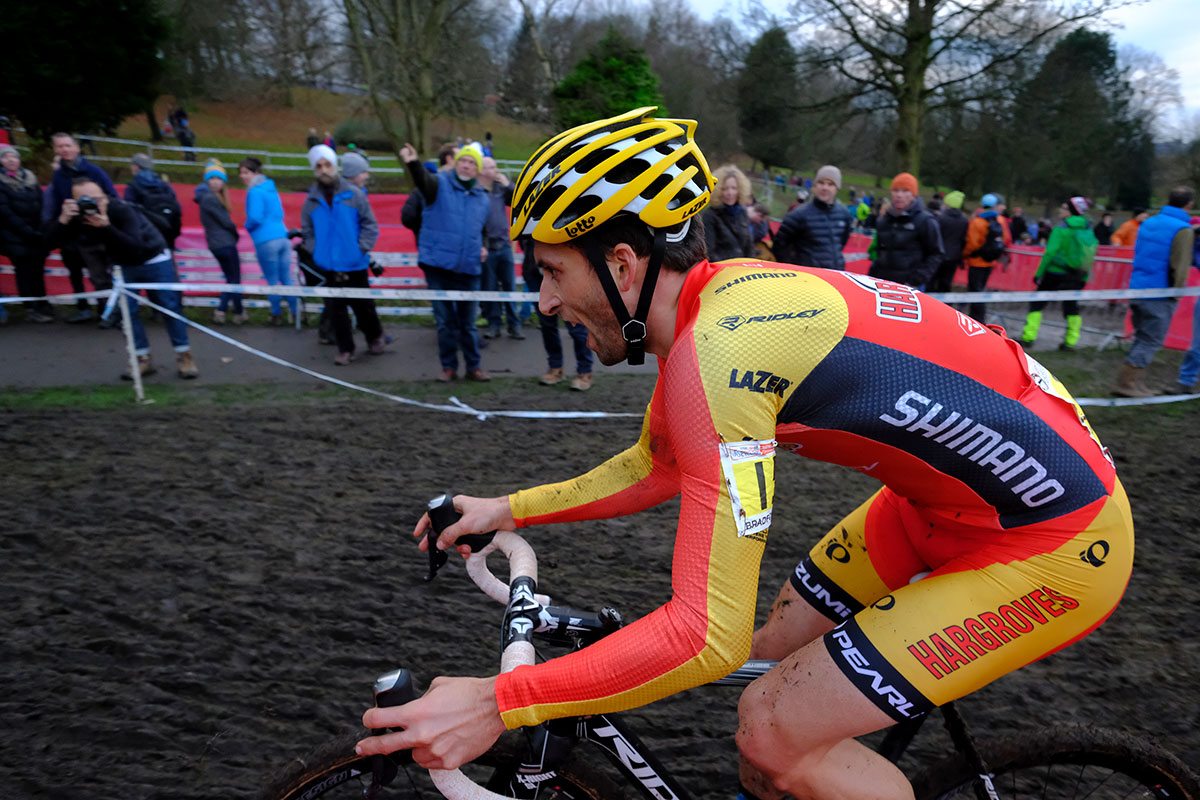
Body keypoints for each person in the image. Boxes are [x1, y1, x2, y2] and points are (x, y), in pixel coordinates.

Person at [356, 108, 1133, 800]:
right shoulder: (714, 308)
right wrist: (507, 509)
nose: (545, 301)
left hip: (1055, 543)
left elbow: (703, 635)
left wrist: (498, 701)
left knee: (770, 725)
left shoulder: (722, 354)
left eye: (554, 271)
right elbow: (658, 464)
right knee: (770, 663)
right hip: (932, 507)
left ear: (623, 265)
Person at [46, 178, 198, 379]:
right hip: (123, 265)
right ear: (74, 201)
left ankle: (184, 355)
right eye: (85, 200)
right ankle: (141, 358)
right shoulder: (76, 217)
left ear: (105, 196)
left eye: (96, 199)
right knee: (127, 312)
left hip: (153, 257)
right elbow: (46, 242)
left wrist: (107, 227)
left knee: (169, 306)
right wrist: (63, 220)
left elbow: (135, 247)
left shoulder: (121, 209)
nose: (92, 205)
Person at [400, 140, 490, 382]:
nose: (466, 165)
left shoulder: (482, 197)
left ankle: (474, 367)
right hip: (438, 266)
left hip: (469, 267)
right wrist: (413, 163)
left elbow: (482, 229)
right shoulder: (438, 184)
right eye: (463, 161)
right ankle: (448, 367)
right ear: (455, 164)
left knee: (468, 324)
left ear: (477, 169)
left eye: (471, 162)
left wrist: (484, 246)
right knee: (444, 322)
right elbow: (422, 180)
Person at [300, 145, 385, 365]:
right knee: (336, 309)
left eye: (327, 165)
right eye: (319, 166)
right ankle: (345, 349)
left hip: (355, 263)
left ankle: (375, 337)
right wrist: (317, 252)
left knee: (363, 307)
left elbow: (369, 224)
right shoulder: (311, 201)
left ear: (335, 166)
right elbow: (307, 231)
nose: (323, 170)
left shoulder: (354, 194)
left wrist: (360, 248)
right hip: (329, 266)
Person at [1114, 188, 1196, 397]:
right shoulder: (1183, 229)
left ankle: (1135, 382)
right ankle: (1127, 383)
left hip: (1138, 287)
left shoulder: (1148, 222)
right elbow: (1180, 263)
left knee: (1142, 336)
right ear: (1189, 204)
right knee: (1151, 340)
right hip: (1160, 292)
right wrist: (1178, 290)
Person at [44, 132, 117, 323]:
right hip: (71, 234)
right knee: (74, 272)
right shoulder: (58, 176)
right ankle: (83, 308)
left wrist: (100, 211)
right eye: (60, 146)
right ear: (55, 150)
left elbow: (112, 196)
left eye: (68, 145)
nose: (64, 149)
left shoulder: (94, 171)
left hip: (95, 231)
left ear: (76, 148)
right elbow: (54, 205)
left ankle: (106, 311)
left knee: (100, 275)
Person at [1019, 197, 1098, 351]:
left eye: (1064, 208)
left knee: (1037, 304)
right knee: (1071, 307)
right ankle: (1070, 341)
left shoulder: (1061, 229)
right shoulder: (1088, 228)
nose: (1060, 210)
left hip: (1054, 272)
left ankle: (1028, 337)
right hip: (1077, 274)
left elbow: (1050, 253)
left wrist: (1039, 273)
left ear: (1072, 211)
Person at [520, 235, 594, 390]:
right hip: (535, 274)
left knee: (576, 326)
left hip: (564, 272)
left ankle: (585, 371)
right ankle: (555, 368)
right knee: (547, 325)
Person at [238, 157, 299, 326]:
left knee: (272, 280)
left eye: (246, 172)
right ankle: (296, 313)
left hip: (265, 240)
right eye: (241, 173)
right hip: (283, 237)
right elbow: (279, 213)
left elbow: (255, 217)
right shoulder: (271, 189)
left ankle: (276, 314)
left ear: (255, 173)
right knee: (286, 278)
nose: (242, 176)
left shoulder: (254, 192)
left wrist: (247, 226)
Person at [0, 145, 54, 322]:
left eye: (14, 157)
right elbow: (5, 212)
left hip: (35, 233)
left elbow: (42, 203)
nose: (10, 160)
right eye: (5, 157)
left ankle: (43, 303)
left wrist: (40, 229)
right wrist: (26, 231)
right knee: (23, 271)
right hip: (14, 236)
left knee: (38, 270)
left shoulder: (30, 178)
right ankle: (31, 308)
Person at [867, 172, 943, 289]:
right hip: (881, 284)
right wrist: (872, 276)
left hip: (910, 286)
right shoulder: (883, 220)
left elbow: (936, 253)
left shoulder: (925, 221)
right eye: (896, 190)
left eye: (905, 191)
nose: (899, 195)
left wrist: (917, 279)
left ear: (913, 195)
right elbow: (879, 253)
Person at [771, 165, 853, 271]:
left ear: (837, 188)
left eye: (830, 184)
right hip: (807, 277)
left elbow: (841, 242)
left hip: (835, 275)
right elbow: (779, 246)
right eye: (821, 183)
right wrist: (795, 270)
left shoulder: (844, 214)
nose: (825, 188)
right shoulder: (798, 214)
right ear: (815, 185)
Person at [194, 159, 245, 324]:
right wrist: (235, 234)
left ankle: (237, 311)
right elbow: (226, 222)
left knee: (232, 278)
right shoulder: (210, 198)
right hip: (224, 243)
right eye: (212, 178)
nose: (215, 182)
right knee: (234, 280)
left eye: (218, 178)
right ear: (207, 180)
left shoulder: (205, 197)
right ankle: (224, 310)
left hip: (216, 243)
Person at [479, 156, 522, 340]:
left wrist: (508, 184)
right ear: (481, 170)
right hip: (487, 247)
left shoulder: (500, 189)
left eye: (494, 167)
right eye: (489, 167)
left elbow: (518, 199)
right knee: (490, 289)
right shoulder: (476, 191)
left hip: (504, 245)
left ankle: (514, 325)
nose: (494, 170)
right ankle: (494, 324)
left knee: (509, 287)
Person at [961, 192, 1012, 324]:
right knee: (981, 289)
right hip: (990, 261)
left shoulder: (977, 222)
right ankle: (979, 318)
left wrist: (964, 255)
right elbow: (1006, 239)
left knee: (975, 291)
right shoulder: (1000, 220)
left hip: (976, 261)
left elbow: (972, 244)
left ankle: (977, 320)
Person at [124, 154, 182, 251]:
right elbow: (174, 201)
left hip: (147, 235)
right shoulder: (163, 184)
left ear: (136, 167)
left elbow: (129, 207)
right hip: (168, 230)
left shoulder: (133, 186)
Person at [702, 164, 756, 261]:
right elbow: (708, 253)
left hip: (742, 267)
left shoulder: (742, 213)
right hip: (721, 268)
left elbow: (749, 247)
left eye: (734, 188)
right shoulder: (709, 216)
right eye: (724, 189)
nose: (730, 193)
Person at [928, 190, 968, 293]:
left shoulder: (940, 218)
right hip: (954, 257)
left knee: (931, 282)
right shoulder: (964, 220)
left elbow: (933, 237)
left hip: (938, 255)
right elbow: (963, 239)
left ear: (948, 204)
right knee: (946, 283)